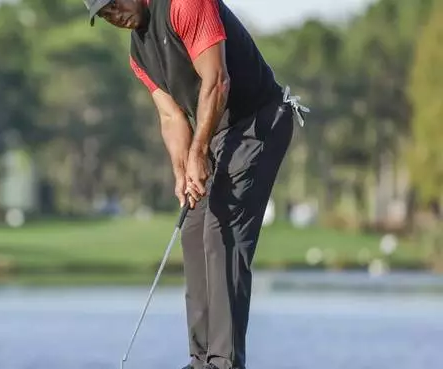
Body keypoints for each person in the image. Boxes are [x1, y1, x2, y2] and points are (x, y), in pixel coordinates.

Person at [82, 1, 309, 369]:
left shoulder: (184, 5)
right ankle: (201, 358)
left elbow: (217, 80)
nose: (115, 17)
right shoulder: (139, 53)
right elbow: (171, 116)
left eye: (114, 5)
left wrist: (199, 151)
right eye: (104, 15)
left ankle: (224, 361)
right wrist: (182, 169)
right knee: (193, 231)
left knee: (222, 233)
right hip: (217, 132)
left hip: (259, 121)